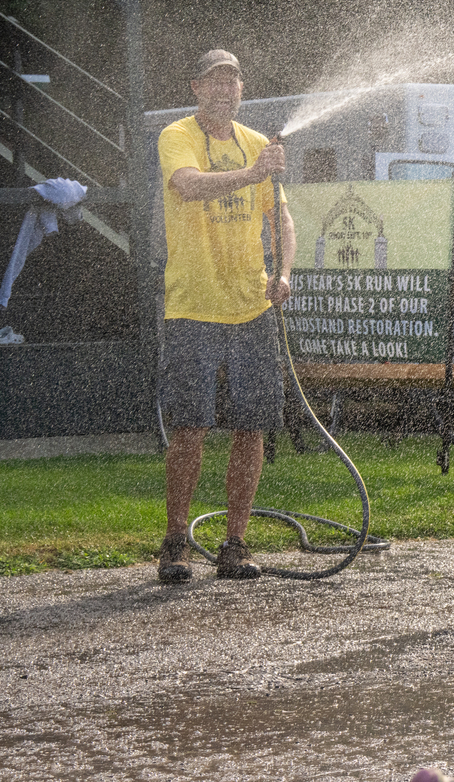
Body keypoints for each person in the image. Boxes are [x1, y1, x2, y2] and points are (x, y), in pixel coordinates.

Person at [156, 49, 296, 583]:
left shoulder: (258, 145)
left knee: (252, 426)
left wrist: (284, 271)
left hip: (251, 305)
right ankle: (175, 542)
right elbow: (187, 186)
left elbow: (281, 217)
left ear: (242, 89)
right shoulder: (178, 136)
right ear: (196, 87)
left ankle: (234, 543)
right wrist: (252, 173)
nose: (225, 88)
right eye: (215, 80)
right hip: (193, 304)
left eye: (233, 80)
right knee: (190, 427)